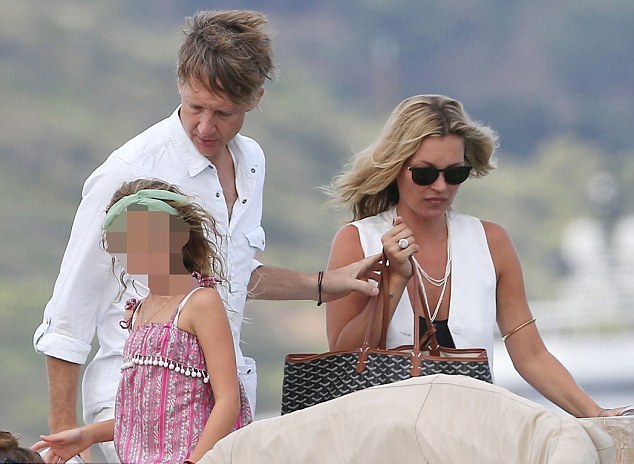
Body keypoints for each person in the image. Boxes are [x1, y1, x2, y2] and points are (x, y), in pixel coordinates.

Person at [33, 10, 379, 463]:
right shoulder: (128, 171)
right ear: (180, 83)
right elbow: (69, 316)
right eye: (196, 107)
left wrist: (325, 283)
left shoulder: (251, 162)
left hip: (216, 411)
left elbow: (234, 274)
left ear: (255, 98)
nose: (205, 127)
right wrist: (66, 441)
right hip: (132, 409)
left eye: (223, 113)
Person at [325, 94, 628, 418]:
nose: (440, 187)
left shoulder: (491, 242)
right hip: (383, 432)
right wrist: (394, 281)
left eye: (455, 174)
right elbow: (343, 359)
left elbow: (531, 355)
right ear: (396, 166)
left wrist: (597, 415)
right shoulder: (357, 241)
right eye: (425, 174)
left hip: (474, 432)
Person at [33, 179, 252, 464]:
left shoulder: (200, 303)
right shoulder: (138, 312)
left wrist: (194, 462)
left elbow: (228, 401)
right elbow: (143, 414)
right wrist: (87, 435)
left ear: (177, 236)